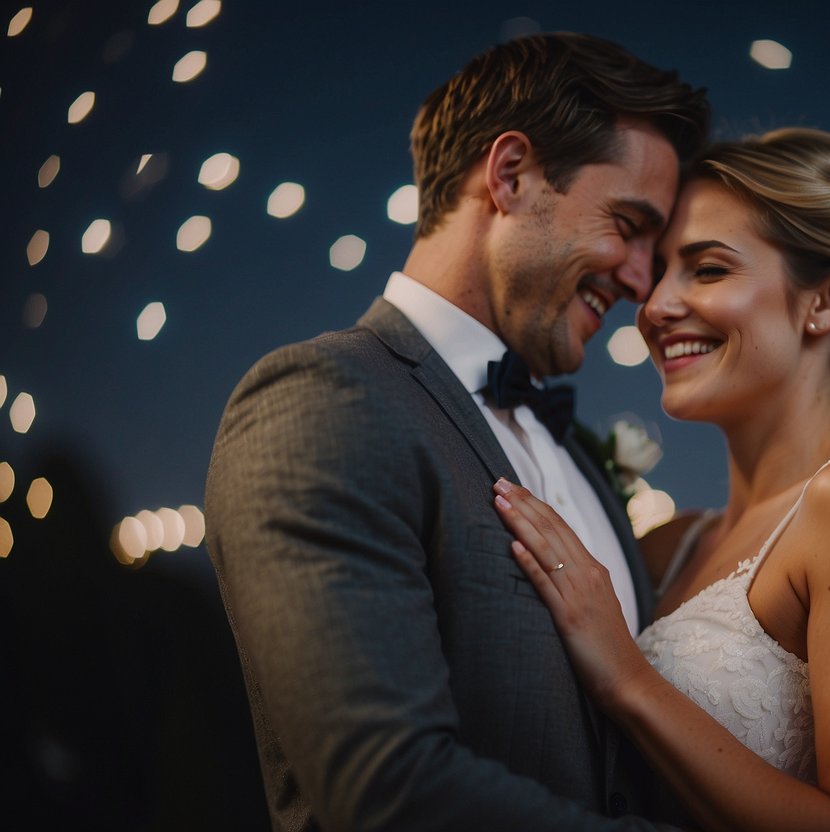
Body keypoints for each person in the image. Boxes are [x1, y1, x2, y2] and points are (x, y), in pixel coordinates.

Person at [205, 33, 708, 830]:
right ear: (509, 176)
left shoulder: (578, 455)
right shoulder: (322, 399)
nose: (643, 282)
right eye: (627, 223)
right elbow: (388, 790)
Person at [493, 127, 830, 832]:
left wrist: (629, 679)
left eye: (706, 269)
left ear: (827, 299)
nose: (655, 305)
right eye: (660, 268)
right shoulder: (668, 544)